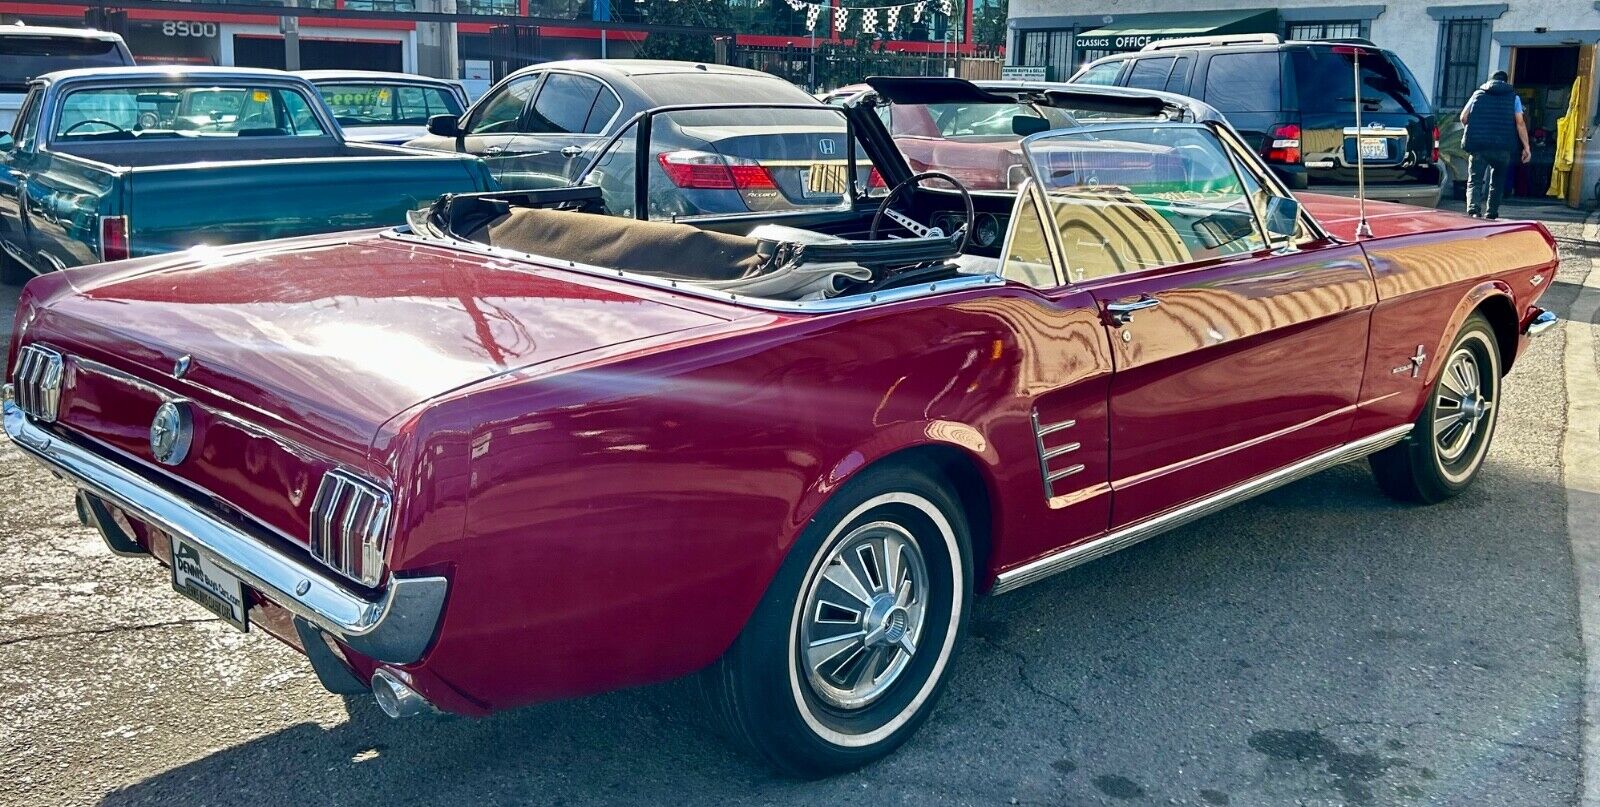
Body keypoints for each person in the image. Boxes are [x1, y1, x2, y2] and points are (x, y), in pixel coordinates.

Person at [1460, 70, 1532, 219]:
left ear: (1491, 81)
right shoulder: (1514, 98)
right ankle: (1491, 213)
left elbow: (1463, 117)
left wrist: (1472, 129)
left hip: (1479, 145)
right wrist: (1526, 147)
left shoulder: (1477, 94)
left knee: (1475, 180)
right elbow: (1520, 122)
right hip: (1502, 147)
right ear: (1506, 82)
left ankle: (1474, 211)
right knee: (1497, 181)